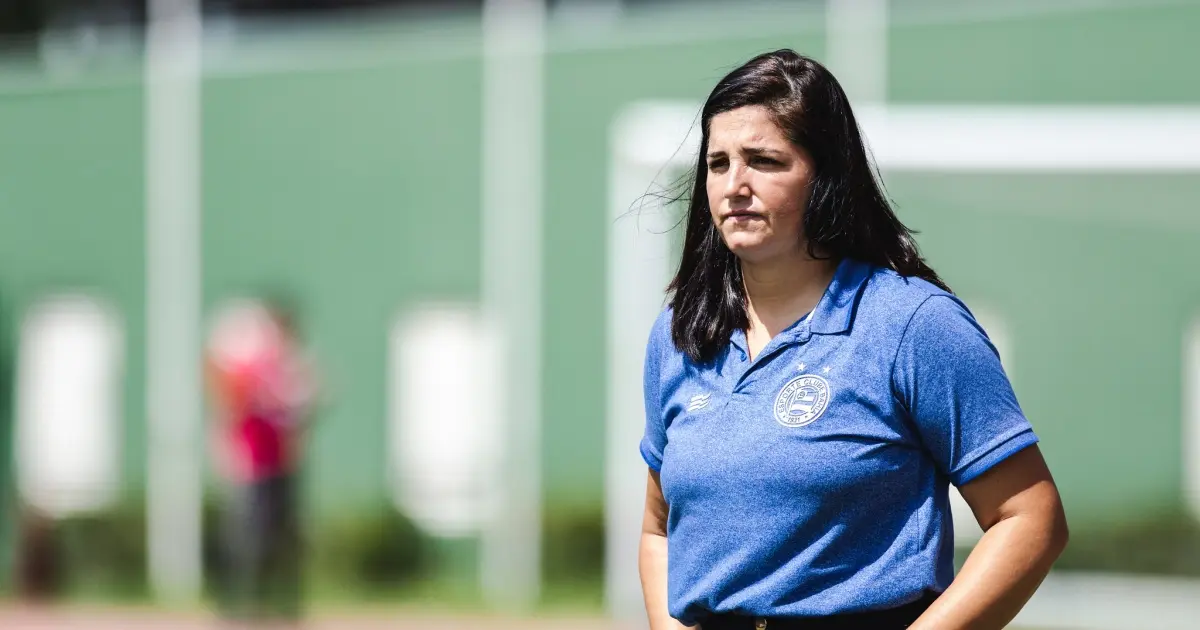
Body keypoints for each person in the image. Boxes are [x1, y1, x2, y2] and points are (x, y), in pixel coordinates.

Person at [637, 50, 1068, 630]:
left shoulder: (912, 324)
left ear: (827, 176)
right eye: (718, 163)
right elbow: (657, 531)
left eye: (763, 160)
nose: (734, 184)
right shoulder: (681, 333)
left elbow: (1029, 519)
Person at [206, 296, 319, 626]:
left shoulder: (291, 364)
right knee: (246, 533)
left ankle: (281, 603)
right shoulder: (253, 363)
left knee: (282, 534)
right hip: (252, 460)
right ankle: (237, 603)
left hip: (280, 460)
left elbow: (300, 408)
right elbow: (230, 398)